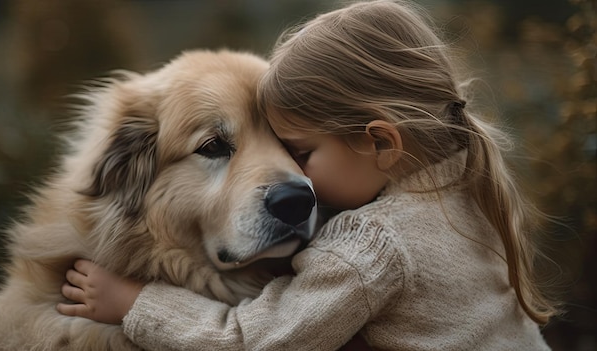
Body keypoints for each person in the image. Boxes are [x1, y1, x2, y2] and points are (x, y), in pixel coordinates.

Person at [57, 1, 559, 349]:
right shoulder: (469, 188)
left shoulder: (371, 249)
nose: (291, 181)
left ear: (381, 142)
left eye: (296, 151)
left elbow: (254, 341)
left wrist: (134, 303)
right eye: (215, 146)